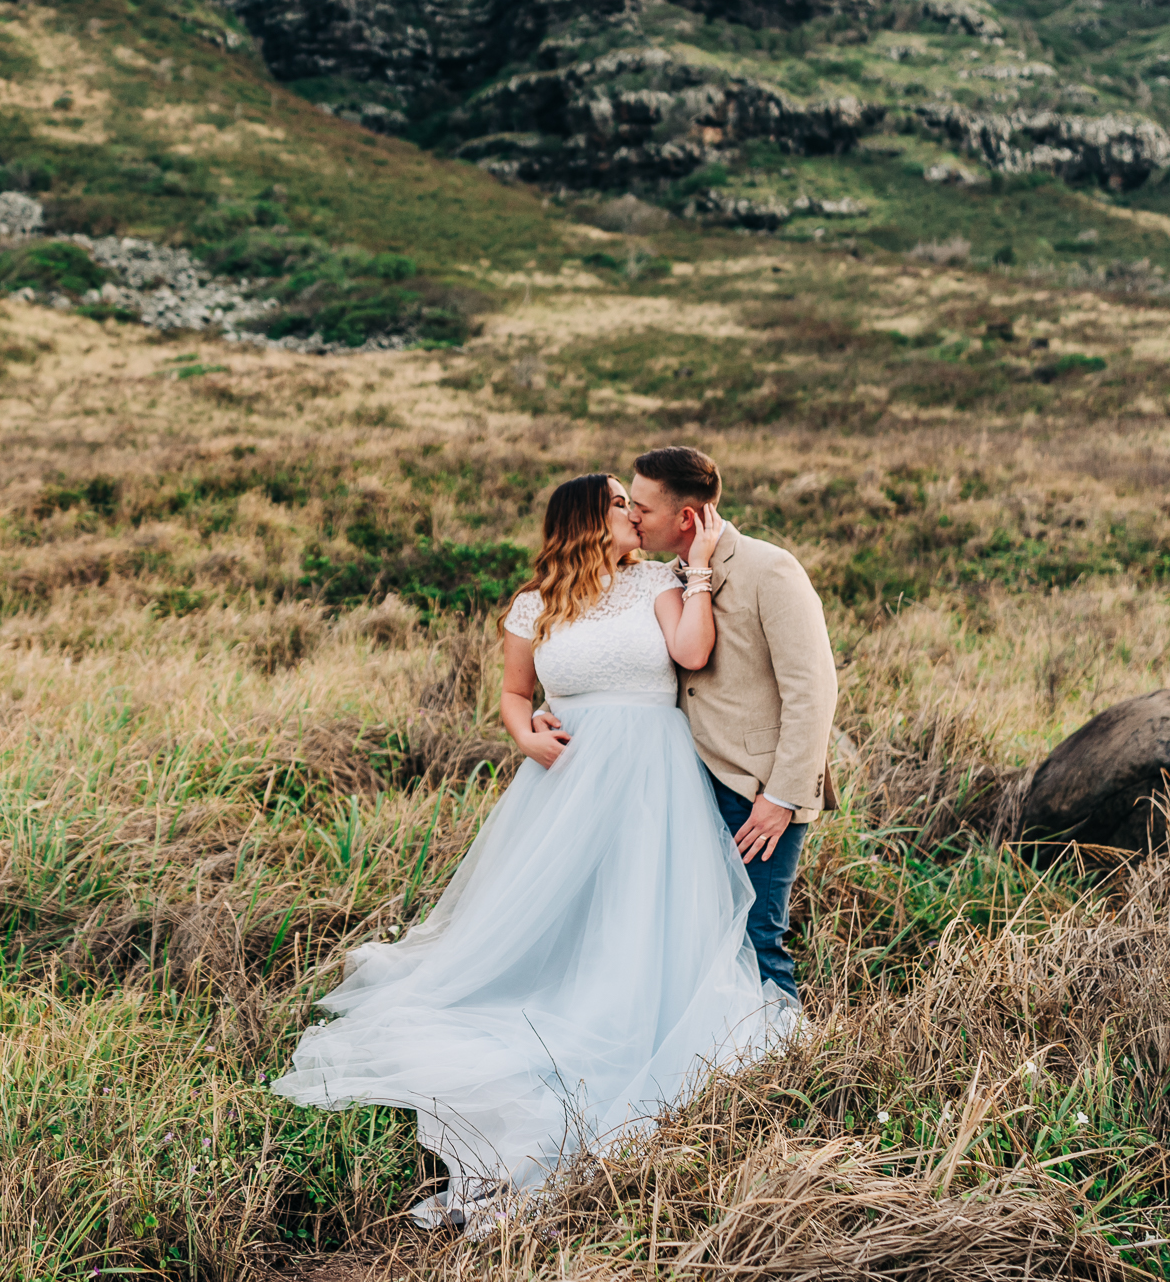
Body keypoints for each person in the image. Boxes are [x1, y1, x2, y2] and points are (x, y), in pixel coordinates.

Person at [271, 473, 788, 1228]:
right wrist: (523, 733)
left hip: (653, 777)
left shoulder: (660, 582)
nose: (634, 514)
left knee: (643, 905)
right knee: (553, 917)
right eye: (620, 504)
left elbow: (693, 648)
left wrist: (701, 568)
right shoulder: (533, 604)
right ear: (585, 519)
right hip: (568, 777)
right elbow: (515, 695)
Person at [537, 446, 837, 999]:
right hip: (681, 786)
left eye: (642, 508)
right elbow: (629, 664)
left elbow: (814, 691)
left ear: (686, 517)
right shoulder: (661, 578)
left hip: (756, 788)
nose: (632, 516)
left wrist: (783, 796)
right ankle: (708, 1068)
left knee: (756, 936)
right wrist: (553, 705)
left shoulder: (769, 568)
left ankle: (784, 1063)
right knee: (693, 938)